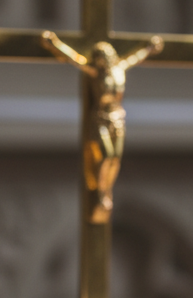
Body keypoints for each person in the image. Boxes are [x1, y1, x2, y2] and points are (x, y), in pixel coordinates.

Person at [40, 30, 164, 223]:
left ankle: (106, 193)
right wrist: (53, 44)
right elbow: (73, 58)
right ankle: (100, 192)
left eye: (103, 56)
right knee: (106, 155)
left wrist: (150, 48)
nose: (100, 60)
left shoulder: (120, 68)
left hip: (118, 117)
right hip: (101, 118)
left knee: (115, 158)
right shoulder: (95, 73)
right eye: (98, 57)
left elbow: (136, 57)